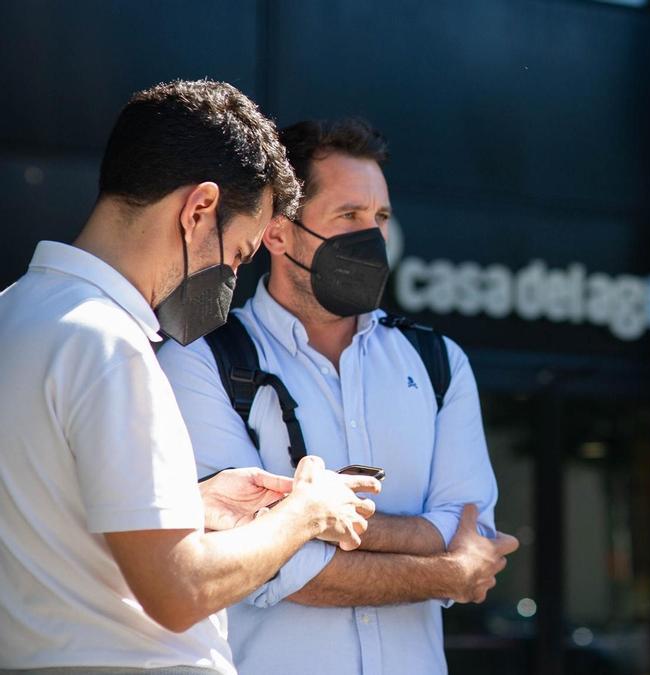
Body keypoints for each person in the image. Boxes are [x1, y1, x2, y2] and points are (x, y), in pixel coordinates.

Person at [0, 80, 380, 675]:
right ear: (199, 210)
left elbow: (48, 513)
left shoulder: (17, 314)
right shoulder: (109, 343)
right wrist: (306, 511)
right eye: (237, 255)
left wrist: (188, 505)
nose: (230, 278)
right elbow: (179, 592)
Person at [157, 117, 518, 675]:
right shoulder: (201, 358)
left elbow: (473, 527)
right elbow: (261, 565)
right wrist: (447, 571)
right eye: (349, 216)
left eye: (380, 218)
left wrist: (311, 521)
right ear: (277, 232)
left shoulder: (437, 362)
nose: (371, 237)